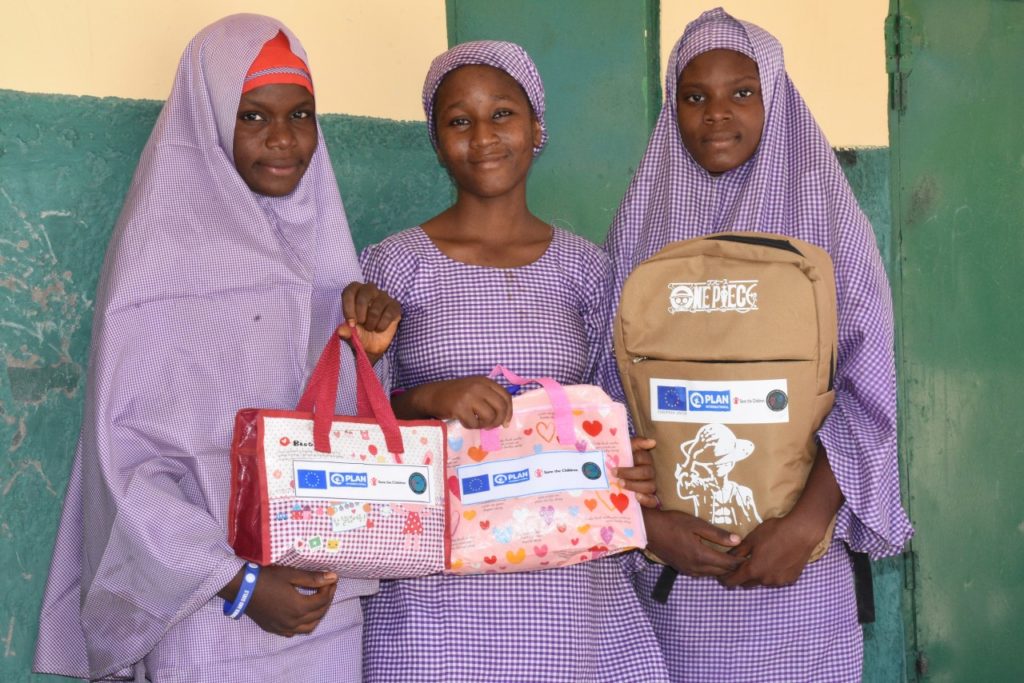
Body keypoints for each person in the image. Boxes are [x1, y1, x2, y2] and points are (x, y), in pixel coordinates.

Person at [33, 14, 399, 682]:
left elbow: (345, 442)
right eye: (253, 116)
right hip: (211, 608)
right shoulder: (159, 268)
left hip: (325, 607)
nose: (284, 139)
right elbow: (129, 464)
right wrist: (241, 581)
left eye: (301, 113)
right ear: (208, 122)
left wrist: (366, 351)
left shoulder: (327, 259)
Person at [602, 8, 914, 682]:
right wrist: (650, 528)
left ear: (776, 96)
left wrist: (804, 525)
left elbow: (868, 390)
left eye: (742, 92)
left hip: (799, 572)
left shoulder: (828, 227)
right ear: (672, 108)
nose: (718, 114)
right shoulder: (639, 230)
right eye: (695, 96)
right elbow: (605, 398)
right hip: (675, 586)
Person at [359, 41, 668, 682]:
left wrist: (633, 466)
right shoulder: (396, 265)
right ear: (437, 141)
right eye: (458, 120)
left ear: (536, 129)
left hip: (568, 594)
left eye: (502, 114)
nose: (483, 137)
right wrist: (428, 398)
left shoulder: (586, 269)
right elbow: (358, 431)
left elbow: (614, 416)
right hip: (439, 596)